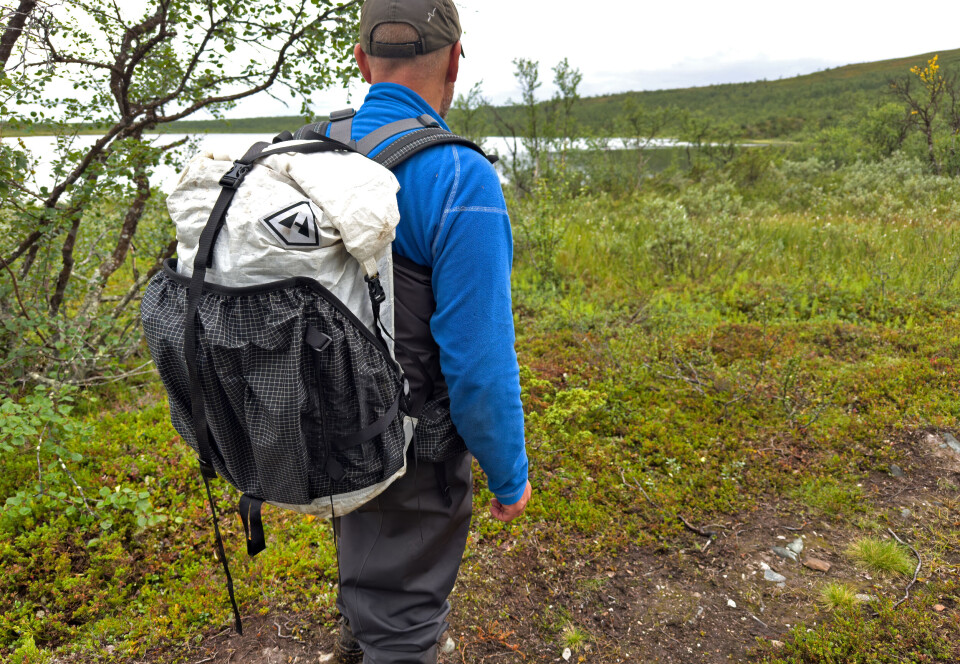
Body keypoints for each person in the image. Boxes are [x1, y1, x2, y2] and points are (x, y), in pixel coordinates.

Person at [330, 1, 532, 663]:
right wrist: (509, 475)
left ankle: (362, 636)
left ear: (363, 61)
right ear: (455, 57)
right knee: (407, 618)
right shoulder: (456, 177)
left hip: (319, 423)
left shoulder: (316, 148)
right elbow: (478, 363)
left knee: (370, 559)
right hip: (411, 445)